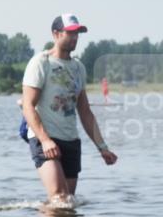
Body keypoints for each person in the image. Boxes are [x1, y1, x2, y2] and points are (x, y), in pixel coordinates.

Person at [21, 12, 117, 206]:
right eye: (70, 33)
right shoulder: (41, 63)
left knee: (67, 203)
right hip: (45, 138)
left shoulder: (78, 68)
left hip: (71, 140)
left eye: (77, 33)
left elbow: (85, 112)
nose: (74, 37)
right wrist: (46, 141)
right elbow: (28, 106)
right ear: (56, 34)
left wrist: (102, 147)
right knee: (59, 197)